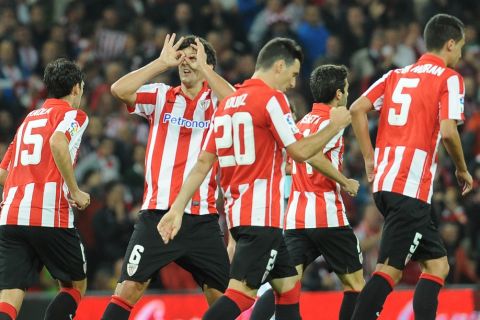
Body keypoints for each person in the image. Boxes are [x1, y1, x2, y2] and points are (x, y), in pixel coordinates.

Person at [159, 37, 351, 320]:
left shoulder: (227, 104)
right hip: (262, 217)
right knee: (242, 295)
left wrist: (177, 208)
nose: (293, 83)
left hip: (239, 216)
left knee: (288, 288)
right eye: (293, 74)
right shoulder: (273, 100)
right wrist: (333, 126)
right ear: (280, 65)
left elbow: (202, 163)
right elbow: (299, 152)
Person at [100, 33, 234, 320]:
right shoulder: (161, 95)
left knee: (222, 297)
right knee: (128, 289)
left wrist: (206, 71)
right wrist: (160, 63)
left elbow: (242, 104)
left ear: (208, 64)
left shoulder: (218, 102)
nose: (185, 63)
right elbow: (119, 90)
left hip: (201, 218)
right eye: (181, 58)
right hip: (157, 215)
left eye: (193, 58)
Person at [350, 14, 473, 319]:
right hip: (410, 187)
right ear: (449, 43)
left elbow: (357, 109)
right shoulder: (448, 78)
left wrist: (369, 156)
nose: (460, 55)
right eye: (460, 48)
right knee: (389, 271)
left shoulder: (395, 75)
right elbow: (448, 131)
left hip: (385, 183)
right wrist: (461, 168)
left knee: (437, 265)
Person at [250, 64, 364, 320]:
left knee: (286, 285)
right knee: (355, 285)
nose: (347, 93)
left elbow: (293, 160)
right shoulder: (332, 121)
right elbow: (312, 156)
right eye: (345, 89)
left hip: (295, 219)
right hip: (327, 216)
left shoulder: (302, 123)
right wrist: (345, 181)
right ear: (338, 94)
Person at [0, 58, 90, 320]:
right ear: (76, 88)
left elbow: (3, 173)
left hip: (11, 217)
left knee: (9, 295)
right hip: (50, 215)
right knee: (75, 285)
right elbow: (58, 142)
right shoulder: (74, 115)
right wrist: (74, 191)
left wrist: (25, 186)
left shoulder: (30, 118)